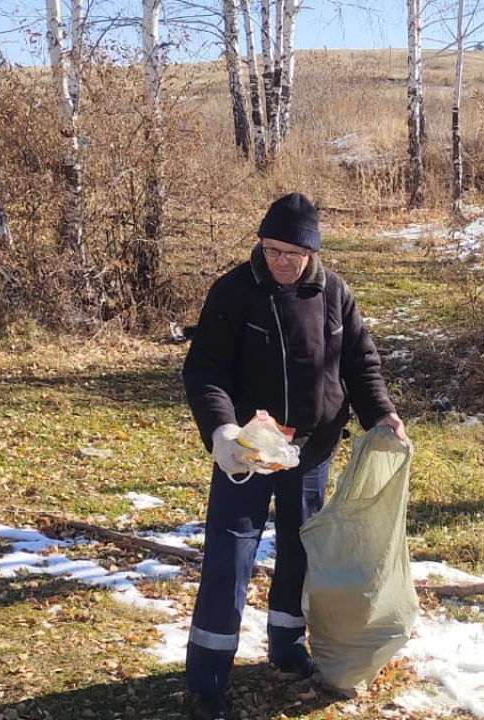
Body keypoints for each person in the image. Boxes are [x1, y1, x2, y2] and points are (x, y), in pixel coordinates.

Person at [181, 192, 407, 720]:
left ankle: (286, 646)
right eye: (271, 248)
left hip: (311, 449)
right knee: (229, 558)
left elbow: (360, 363)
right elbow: (205, 372)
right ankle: (207, 679)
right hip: (248, 454)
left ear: (312, 251)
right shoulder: (233, 293)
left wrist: (382, 414)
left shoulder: (333, 293)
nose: (281, 260)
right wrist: (222, 432)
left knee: (300, 550)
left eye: (292, 252)